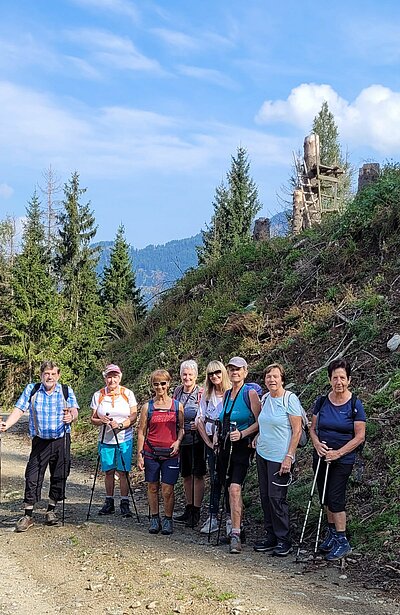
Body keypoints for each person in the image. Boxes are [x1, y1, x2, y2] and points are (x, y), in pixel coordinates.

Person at [0, 360, 79, 532]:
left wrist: (71, 417)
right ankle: (28, 515)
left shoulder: (66, 390)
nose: (49, 376)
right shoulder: (32, 390)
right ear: (41, 375)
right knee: (32, 475)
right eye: (46, 374)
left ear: (58, 375)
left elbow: (74, 410)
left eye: (53, 374)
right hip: (40, 440)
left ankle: (51, 510)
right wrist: (7, 425)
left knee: (60, 474)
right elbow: (20, 409)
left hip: (61, 439)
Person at [309, 358, 366, 561]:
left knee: (335, 498)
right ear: (330, 379)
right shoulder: (322, 401)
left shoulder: (354, 403)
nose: (338, 381)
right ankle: (332, 534)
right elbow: (312, 428)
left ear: (349, 379)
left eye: (342, 377)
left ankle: (343, 541)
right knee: (324, 497)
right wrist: (316, 444)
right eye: (335, 378)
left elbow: (359, 436)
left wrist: (339, 453)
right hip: (322, 456)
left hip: (342, 459)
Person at [253, 363, 302, 556]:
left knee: (276, 498)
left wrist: (289, 457)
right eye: (268, 377)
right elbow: (263, 422)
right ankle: (271, 535)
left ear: (282, 379)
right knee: (265, 497)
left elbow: (297, 430)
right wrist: (258, 436)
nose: (271, 380)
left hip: (280, 456)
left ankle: (284, 539)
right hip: (263, 454)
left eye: (275, 376)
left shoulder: (289, 399)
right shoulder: (265, 398)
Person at [218, 356, 261, 554]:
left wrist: (243, 433)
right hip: (226, 447)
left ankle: (235, 533)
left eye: (238, 369)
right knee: (228, 487)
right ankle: (235, 525)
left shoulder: (250, 393)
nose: (234, 372)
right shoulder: (227, 394)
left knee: (235, 487)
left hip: (243, 447)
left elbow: (261, 421)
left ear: (245, 372)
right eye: (231, 369)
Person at [137, 369, 184, 535]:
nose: (160, 387)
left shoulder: (177, 406)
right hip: (151, 453)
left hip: (171, 454)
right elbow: (142, 431)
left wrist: (178, 442)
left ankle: (168, 519)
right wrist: (139, 454)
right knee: (152, 487)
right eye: (156, 384)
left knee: (167, 489)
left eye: (163, 383)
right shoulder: (147, 407)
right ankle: (154, 518)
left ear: (169, 384)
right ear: (152, 385)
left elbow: (181, 428)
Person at [90, 364, 138, 518]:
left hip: (125, 438)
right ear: (105, 378)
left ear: (120, 377)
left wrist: (122, 425)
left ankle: (124, 503)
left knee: (123, 472)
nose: (112, 380)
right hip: (105, 439)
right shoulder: (98, 395)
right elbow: (93, 418)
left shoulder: (128, 394)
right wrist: (101, 420)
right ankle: (109, 502)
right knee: (109, 471)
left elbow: (134, 415)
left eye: (115, 376)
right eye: (109, 377)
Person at [196, 360, 231, 534]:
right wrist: (209, 443)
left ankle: (231, 518)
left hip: (228, 441)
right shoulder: (206, 395)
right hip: (211, 441)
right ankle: (213, 517)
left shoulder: (231, 393)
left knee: (229, 480)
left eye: (217, 373)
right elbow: (199, 420)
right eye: (211, 374)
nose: (214, 376)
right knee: (215, 478)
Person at [173, 360, 206, 528]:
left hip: (197, 439)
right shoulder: (177, 391)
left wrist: (199, 423)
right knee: (186, 475)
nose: (187, 377)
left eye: (190, 375)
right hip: (181, 440)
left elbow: (208, 412)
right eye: (184, 374)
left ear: (196, 376)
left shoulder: (202, 393)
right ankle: (188, 507)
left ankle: (196, 510)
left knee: (197, 474)